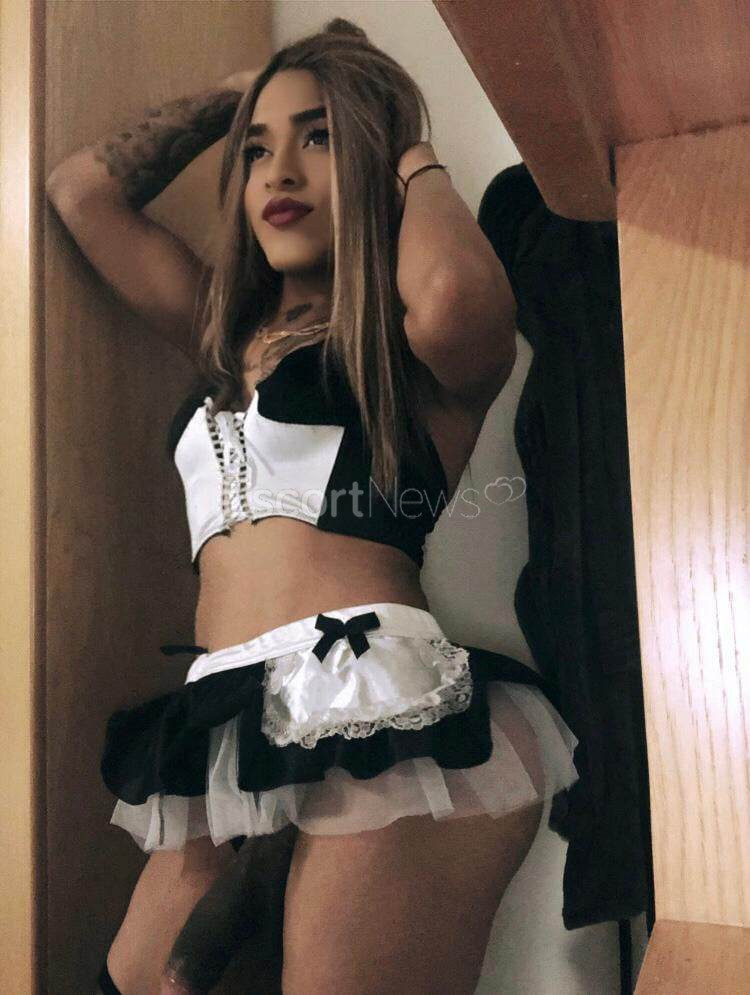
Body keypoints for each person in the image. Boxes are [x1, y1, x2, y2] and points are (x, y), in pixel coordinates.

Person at [48, 18, 580, 995]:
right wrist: (239, 98)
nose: (281, 169)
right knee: (137, 977)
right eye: (260, 150)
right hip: (231, 714)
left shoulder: (408, 354)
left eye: (320, 138)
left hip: (379, 701)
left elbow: (454, 295)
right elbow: (81, 193)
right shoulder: (226, 334)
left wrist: (399, 136)